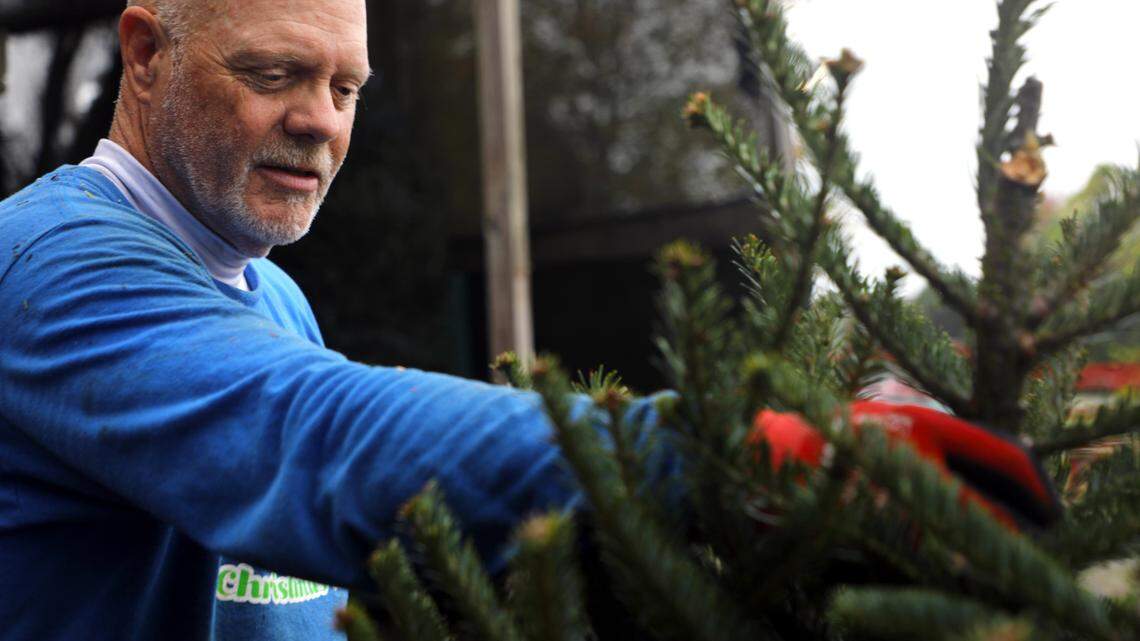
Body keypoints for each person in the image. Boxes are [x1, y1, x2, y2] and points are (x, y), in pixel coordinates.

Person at [0, 1, 665, 638]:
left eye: (346, 89)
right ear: (145, 53)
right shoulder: (46, 260)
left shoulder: (280, 298)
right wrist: (679, 453)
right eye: (273, 75)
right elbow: (321, 435)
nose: (322, 120)